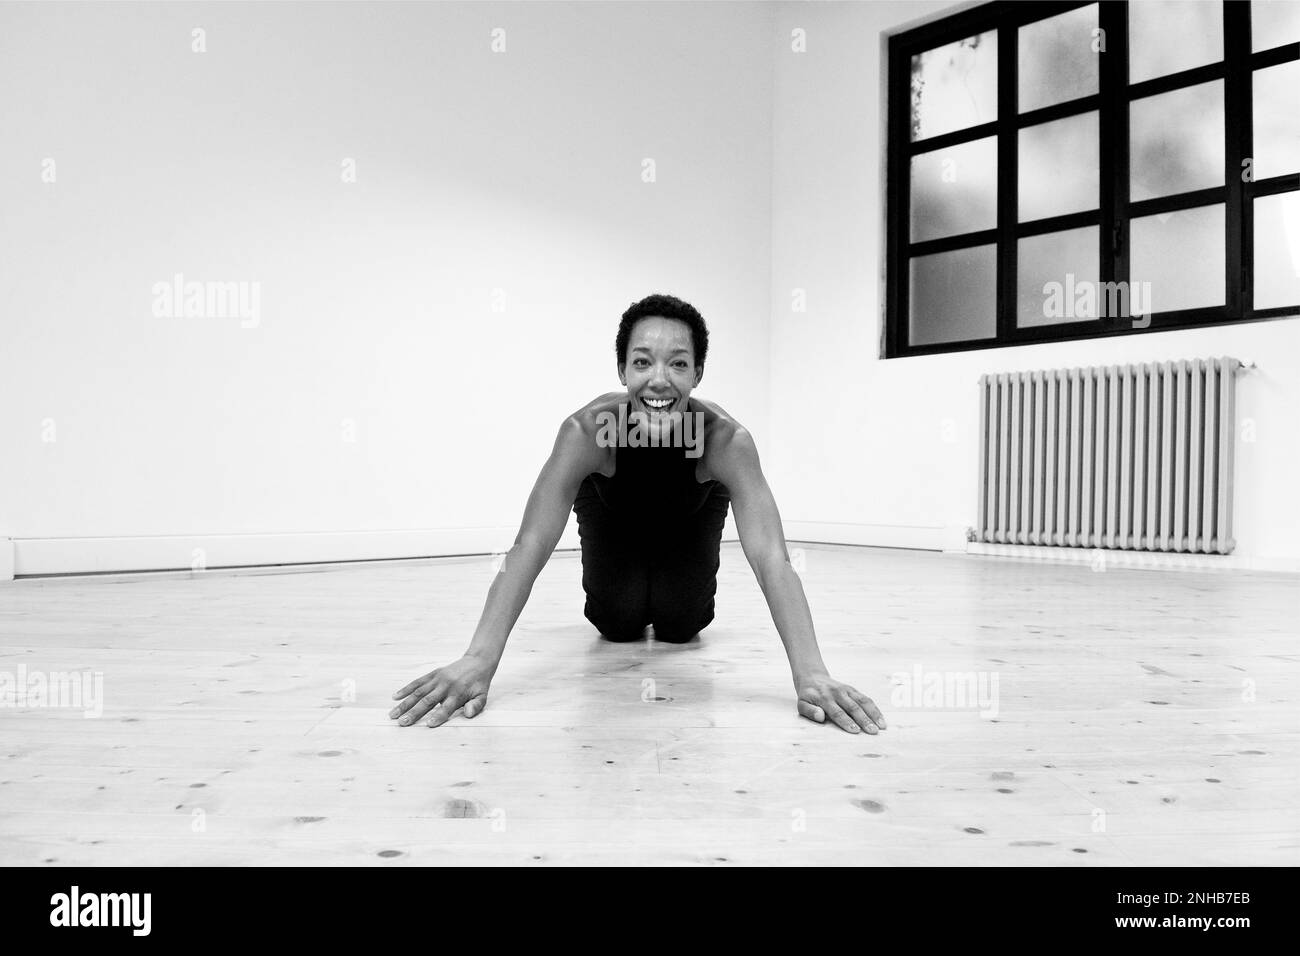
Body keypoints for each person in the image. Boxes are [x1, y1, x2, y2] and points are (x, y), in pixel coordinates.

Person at [391, 294, 887, 735]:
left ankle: (678, 592)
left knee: (682, 626)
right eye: (643, 362)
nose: (659, 380)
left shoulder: (725, 441)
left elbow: (771, 556)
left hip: (692, 512)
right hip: (610, 510)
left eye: (677, 364)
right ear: (623, 370)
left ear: (697, 374)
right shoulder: (586, 432)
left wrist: (811, 673)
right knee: (616, 622)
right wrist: (479, 658)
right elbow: (530, 544)